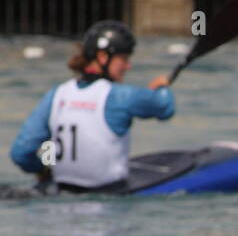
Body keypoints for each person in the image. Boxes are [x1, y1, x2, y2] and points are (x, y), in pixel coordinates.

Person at [9, 21, 175, 193]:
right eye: (124, 59)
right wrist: (161, 87)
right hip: (108, 199)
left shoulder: (56, 95)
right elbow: (165, 108)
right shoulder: (119, 96)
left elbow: (21, 153)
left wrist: (43, 171)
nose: (128, 66)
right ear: (103, 57)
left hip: (60, 200)